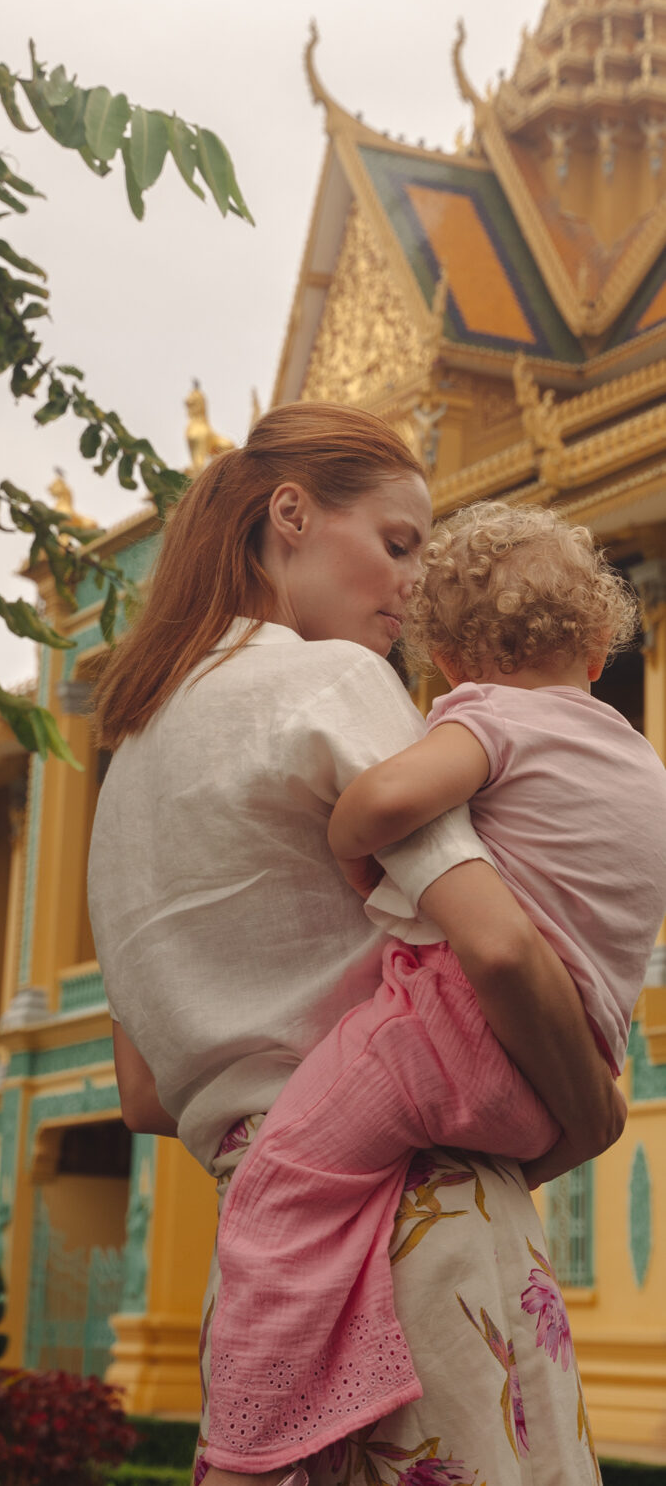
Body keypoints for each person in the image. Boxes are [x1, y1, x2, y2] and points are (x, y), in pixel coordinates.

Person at [87, 407, 624, 1486]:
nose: (415, 588)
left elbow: (143, 1096)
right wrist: (593, 1113)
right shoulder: (325, 682)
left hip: (263, 1251)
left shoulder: (124, 771)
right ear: (290, 515)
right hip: (418, 1221)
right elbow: (503, 951)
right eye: (397, 544)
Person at [206, 501, 665, 1478]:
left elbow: (384, 800)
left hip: (448, 1038)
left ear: (450, 664)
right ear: (594, 651)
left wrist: (349, 847)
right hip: (565, 1068)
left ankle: (265, 1429)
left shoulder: (491, 718)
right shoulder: (635, 755)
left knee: (279, 1181)